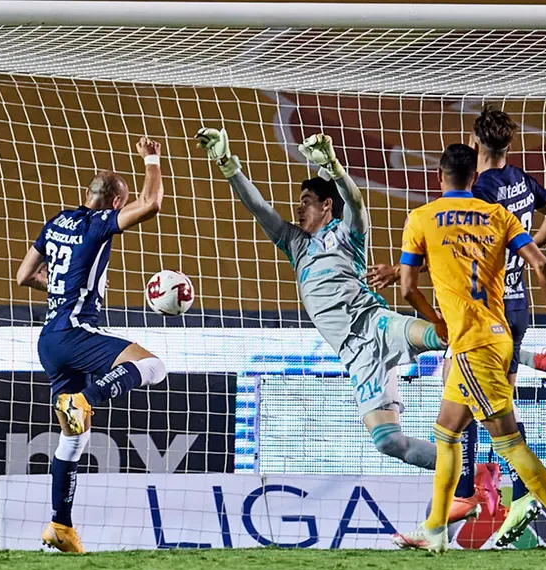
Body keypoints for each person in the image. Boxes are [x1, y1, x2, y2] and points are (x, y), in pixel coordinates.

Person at [196, 128, 491, 521]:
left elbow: (356, 198)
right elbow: (258, 208)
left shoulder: (348, 233)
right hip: (355, 355)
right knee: (389, 443)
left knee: (446, 336)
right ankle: (469, 475)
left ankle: (506, 369)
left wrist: (333, 167)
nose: (298, 209)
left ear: (326, 207)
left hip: (377, 323)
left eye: (306, 202)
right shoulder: (294, 244)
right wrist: (228, 166)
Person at [367, 105, 546, 546]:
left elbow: (457, 256)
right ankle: (454, 518)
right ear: (509, 145)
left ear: (474, 149)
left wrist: (405, 272)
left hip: (475, 323)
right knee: (454, 426)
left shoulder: (476, 195)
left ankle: (528, 505)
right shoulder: (520, 181)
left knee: (502, 430)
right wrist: (522, 250)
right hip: (512, 308)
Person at [15, 138, 169, 553]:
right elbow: (151, 203)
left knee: (74, 438)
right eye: (123, 201)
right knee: (153, 366)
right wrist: (151, 158)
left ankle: (60, 527)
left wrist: (62, 288)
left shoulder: (55, 222)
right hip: (77, 332)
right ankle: (87, 398)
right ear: (115, 202)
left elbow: (24, 276)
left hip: (49, 340)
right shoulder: (101, 222)